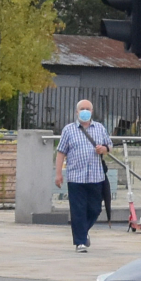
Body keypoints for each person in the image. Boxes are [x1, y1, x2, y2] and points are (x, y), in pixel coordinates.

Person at [55, 98, 115, 253]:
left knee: (95, 209)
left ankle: (82, 231)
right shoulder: (68, 130)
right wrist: (58, 174)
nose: (85, 111)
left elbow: (110, 145)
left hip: (96, 177)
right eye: (82, 108)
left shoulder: (100, 128)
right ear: (76, 112)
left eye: (88, 108)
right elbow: (61, 152)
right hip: (76, 177)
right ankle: (80, 241)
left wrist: (104, 149)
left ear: (92, 111)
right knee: (78, 210)